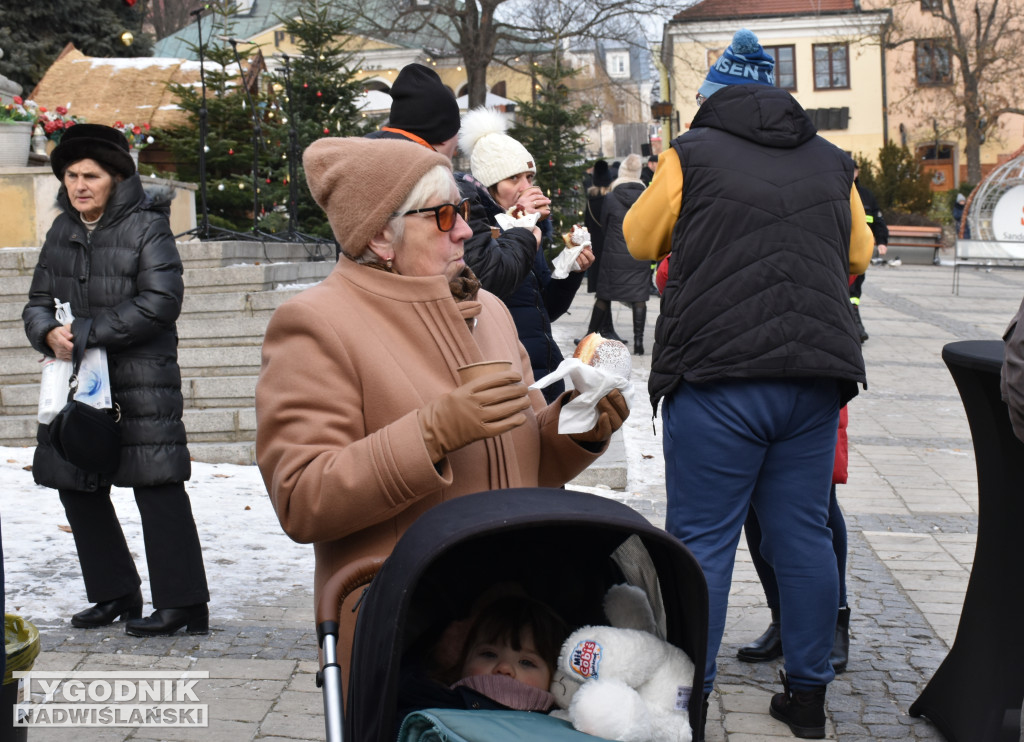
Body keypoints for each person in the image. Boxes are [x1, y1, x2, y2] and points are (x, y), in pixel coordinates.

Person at [255, 137, 627, 681]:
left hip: (514, 624)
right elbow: (303, 497)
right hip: (411, 630)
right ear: (382, 234)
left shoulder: (492, 310)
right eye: (444, 215)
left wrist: (578, 425)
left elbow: (529, 467)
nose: (467, 230)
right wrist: (430, 433)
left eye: (466, 211)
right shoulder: (316, 323)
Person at [622, 28, 873, 739]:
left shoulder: (689, 154)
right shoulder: (831, 160)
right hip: (814, 376)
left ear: (715, 97)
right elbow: (859, 250)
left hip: (719, 372)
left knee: (702, 539)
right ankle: (807, 697)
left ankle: (688, 704)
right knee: (801, 535)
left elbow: (640, 241)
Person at [22, 123, 210, 637]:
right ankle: (114, 593)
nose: (79, 184)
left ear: (116, 177)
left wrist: (82, 332)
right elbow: (37, 301)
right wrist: (48, 334)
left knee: (156, 485)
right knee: (74, 482)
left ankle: (184, 605)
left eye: (91, 175)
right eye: (71, 175)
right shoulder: (62, 230)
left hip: (140, 379)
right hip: (77, 381)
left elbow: (160, 303)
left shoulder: (148, 226)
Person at [366, 63, 539, 300]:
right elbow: (487, 278)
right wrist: (523, 231)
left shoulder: (364, 173)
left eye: (530, 177)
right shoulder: (448, 187)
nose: (464, 231)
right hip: (426, 314)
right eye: (449, 213)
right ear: (446, 134)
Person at [458, 107, 594, 402]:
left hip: (544, 369)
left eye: (529, 177)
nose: (526, 187)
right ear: (489, 186)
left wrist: (570, 272)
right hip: (506, 374)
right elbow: (489, 284)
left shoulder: (532, 228)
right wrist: (518, 227)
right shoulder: (477, 229)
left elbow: (544, 307)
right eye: (513, 179)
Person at [737, 407, 852, 674]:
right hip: (746, 378)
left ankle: (834, 622)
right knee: (754, 496)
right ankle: (781, 619)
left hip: (812, 380)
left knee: (820, 498)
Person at [588, 154, 653, 356]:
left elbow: (604, 225)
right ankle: (639, 343)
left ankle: (590, 336)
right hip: (638, 253)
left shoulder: (611, 197)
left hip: (613, 254)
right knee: (639, 297)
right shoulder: (648, 196)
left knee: (604, 296)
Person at [581, 160, 623, 342]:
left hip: (595, 249)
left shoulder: (590, 202)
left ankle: (606, 328)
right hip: (609, 248)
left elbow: (588, 226)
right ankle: (601, 330)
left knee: (602, 291)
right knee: (606, 292)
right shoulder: (611, 200)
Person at [849, 166, 888, 342]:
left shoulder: (865, 195)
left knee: (854, 291)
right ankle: (855, 327)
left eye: (854, 170)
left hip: (860, 249)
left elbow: (878, 220)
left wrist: (881, 241)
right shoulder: (836, 190)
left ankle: (856, 326)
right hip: (842, 249)